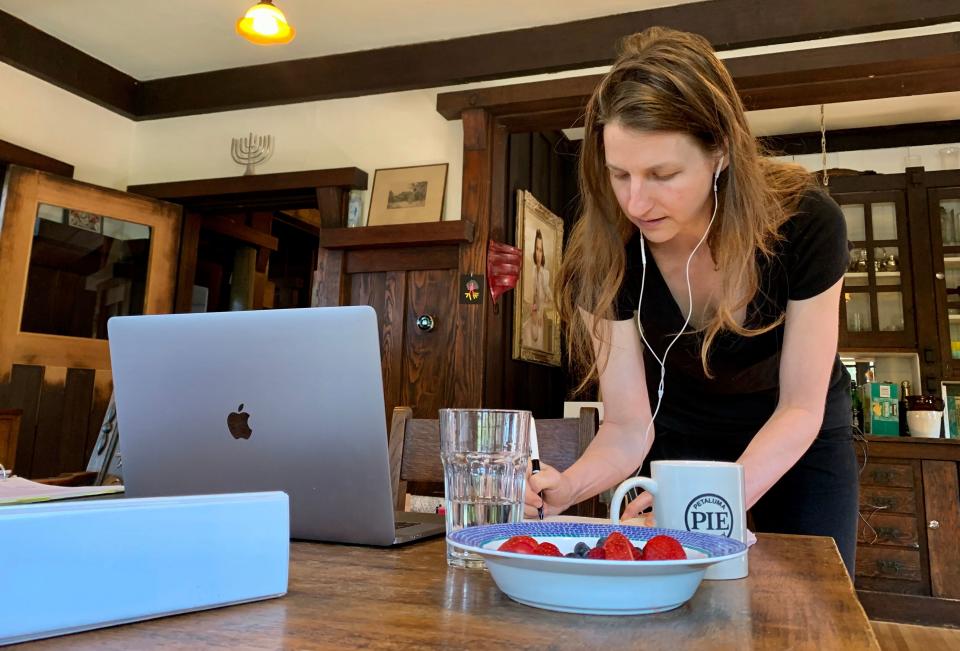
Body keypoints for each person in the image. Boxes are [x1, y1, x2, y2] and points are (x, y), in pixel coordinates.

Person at [524, 26, 858, 575]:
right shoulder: (602, 256)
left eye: (663, 174)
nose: (635, 200)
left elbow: (801, 407)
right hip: (680, 445)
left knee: (806, 611)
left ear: (720, 153)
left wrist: (712, 506)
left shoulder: (807, 224)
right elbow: (629, 426)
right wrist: (566, 487)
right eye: (619, 174)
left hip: (799, 444)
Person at [521, 229, 552, 351]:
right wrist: (533, 310)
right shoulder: (531, 271)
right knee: (526, 333)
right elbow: (529, 295)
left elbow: (549, 297)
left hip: (541, 319)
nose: (539, 254)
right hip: (531, 316)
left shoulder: (546, 274)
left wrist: (541, 310)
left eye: (541, 250)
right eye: (537, 249)